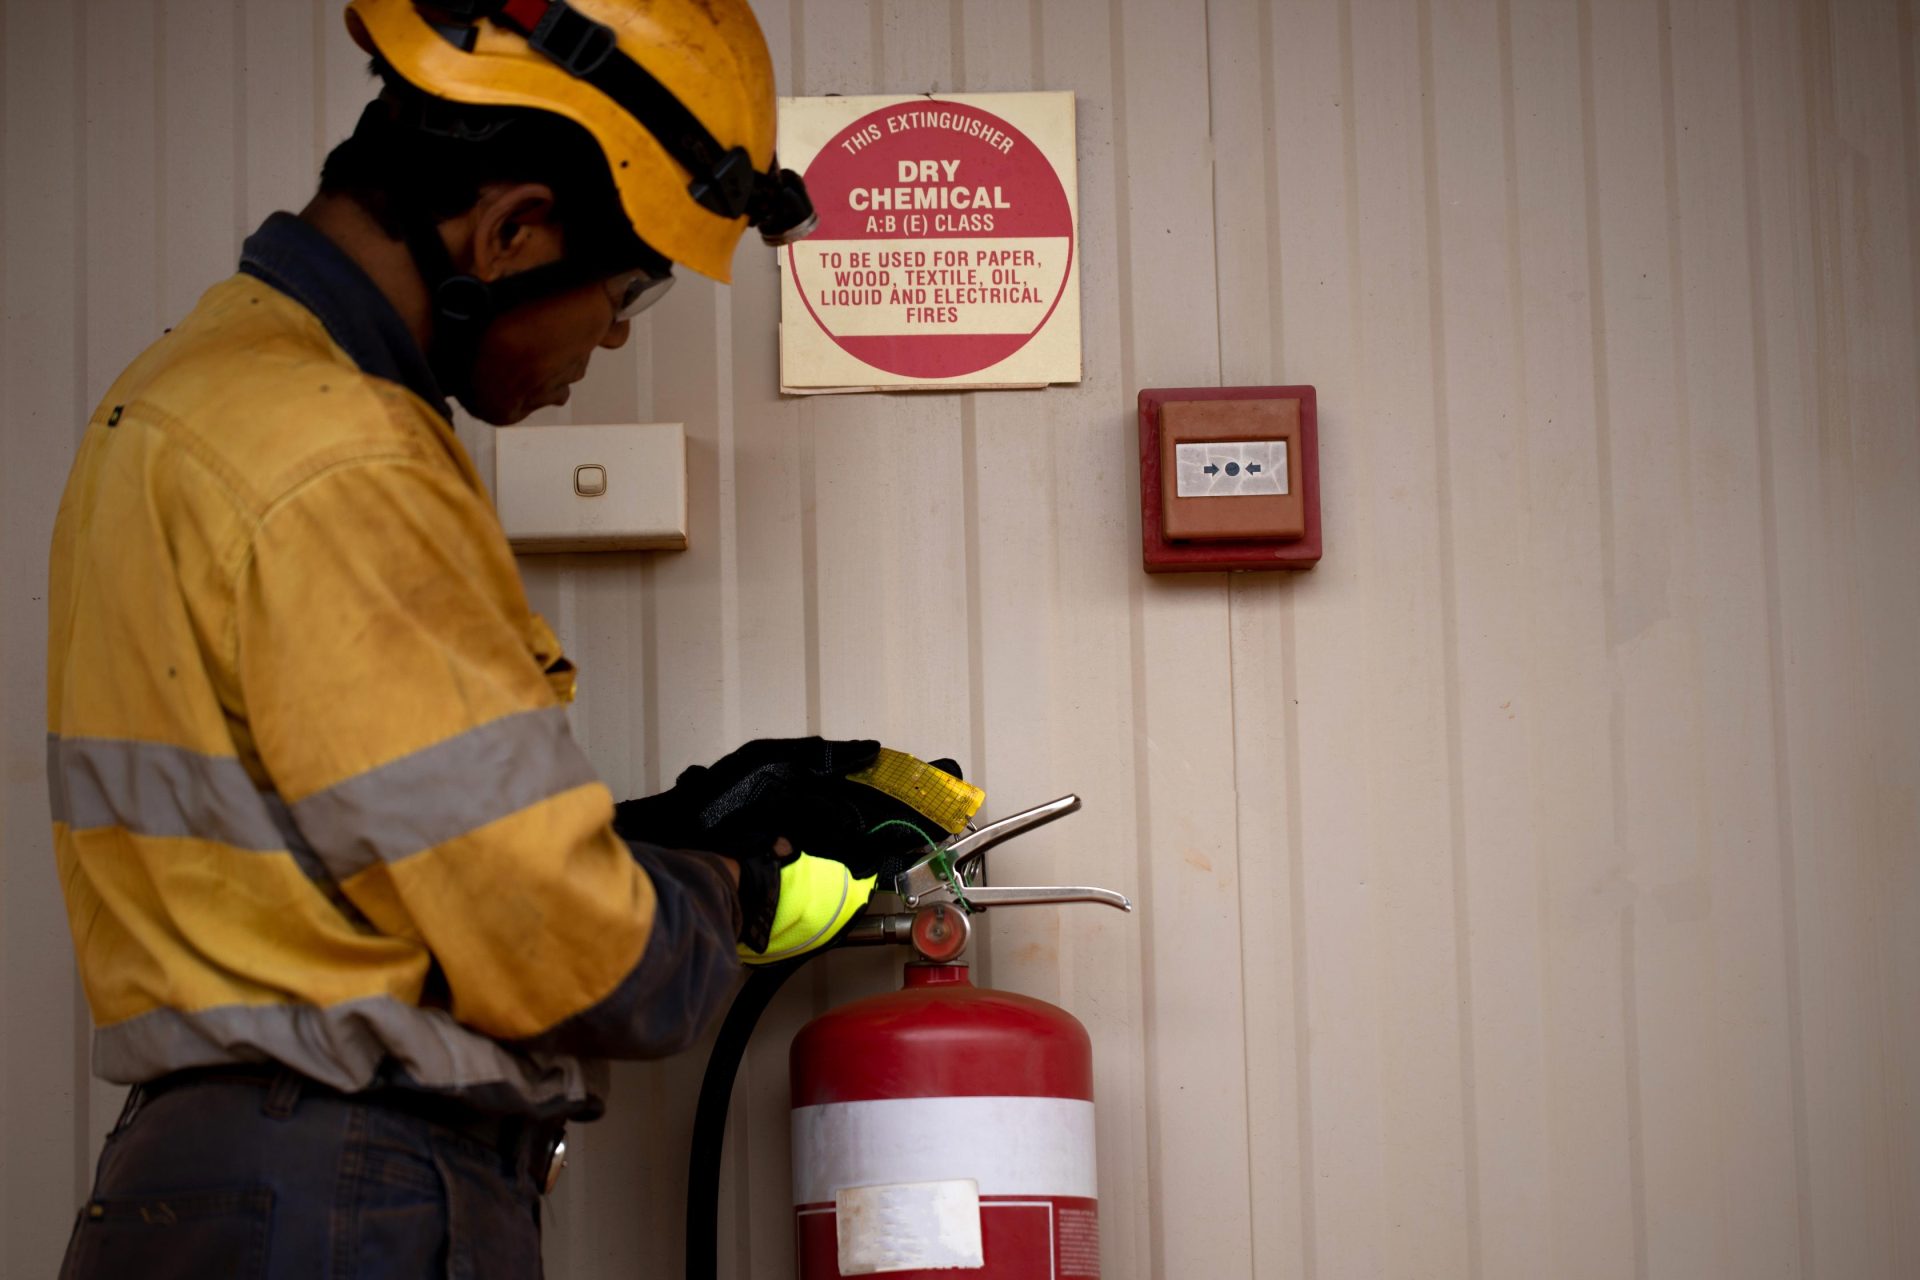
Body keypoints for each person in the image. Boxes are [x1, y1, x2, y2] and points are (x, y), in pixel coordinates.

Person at [45, 2, 931, 1274]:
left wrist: (642, 833)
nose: (616, 335)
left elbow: (341, 844)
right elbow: (565, 957)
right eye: (628, 289)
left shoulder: (183, 390)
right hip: (349, 1194)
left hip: (209, 1187)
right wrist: (730, 878)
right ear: (512, 230)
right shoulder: (345, 454)